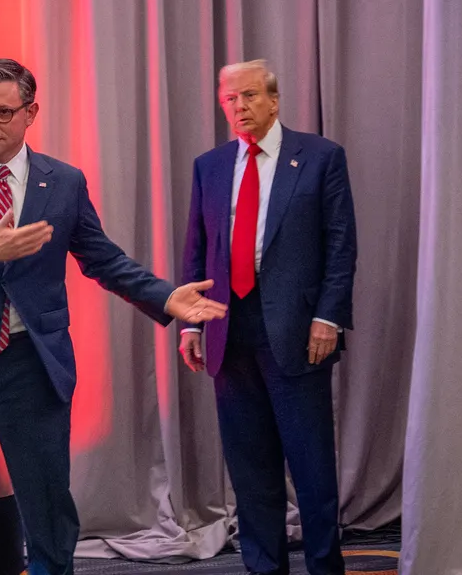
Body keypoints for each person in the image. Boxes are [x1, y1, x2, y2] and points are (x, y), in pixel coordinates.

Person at [0, 58, 227, 575]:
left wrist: (165, 298)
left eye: (3, 113)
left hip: (33, 367)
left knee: (49, 513)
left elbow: (103, 259)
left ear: (31, 112)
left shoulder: (64, 182)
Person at [179, 60, 357, 575]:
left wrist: (329, 317)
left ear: (274, 100)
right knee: (251, 470)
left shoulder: (320, 157)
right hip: (227, 329)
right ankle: (264, 568)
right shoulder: (210, 166)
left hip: (298, 332)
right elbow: (197, 248)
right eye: (230, 99)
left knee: (311, 467)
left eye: (250, 96)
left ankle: (324, 567)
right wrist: (192, 323)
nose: (240, 107)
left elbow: (341, 245)